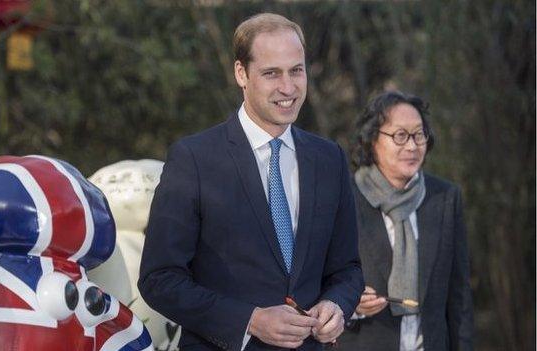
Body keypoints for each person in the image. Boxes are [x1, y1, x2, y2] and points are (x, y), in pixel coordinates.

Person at [138, 13, 364, 351]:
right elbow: (159, 279)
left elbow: (347, 270)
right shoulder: (194, 159)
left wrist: (337, 305)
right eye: (272, 73)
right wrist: (249, 321)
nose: (288, 87)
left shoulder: (328, 158)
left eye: (296, 70)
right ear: (241, 73)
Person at [338, 91, 473, 350]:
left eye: (419, 135)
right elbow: (315, 287)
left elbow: (460, 298)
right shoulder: (343, 200)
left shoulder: (444, 198)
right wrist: (348, 303)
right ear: (372, 139)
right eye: (400, 135)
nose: (412, 146)